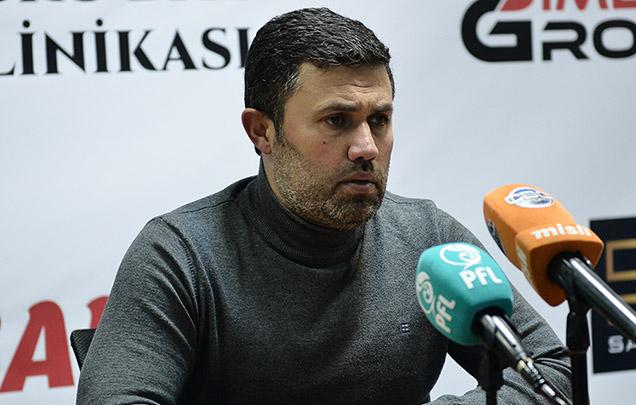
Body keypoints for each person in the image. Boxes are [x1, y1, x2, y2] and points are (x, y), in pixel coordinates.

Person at [77, 7, 572, 404]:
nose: (366, 147)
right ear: (262, 131)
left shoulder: (430, 240)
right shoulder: (180, 253)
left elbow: (553, 372)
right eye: (337, 121)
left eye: (379, 120)